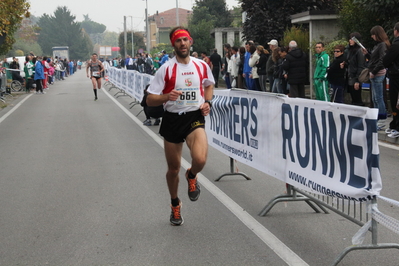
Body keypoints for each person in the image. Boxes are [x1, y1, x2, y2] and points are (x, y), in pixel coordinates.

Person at [146, 26, 214, 226]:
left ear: (190, 41)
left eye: (185, 40)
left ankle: (192, 174)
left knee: (200, 159)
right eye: (178, 41)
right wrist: (167, 96)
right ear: (173, 44)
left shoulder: (201, 65)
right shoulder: (166, 69)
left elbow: (209, 84)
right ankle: (175, 204)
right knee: (173, 169)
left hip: (194, 117)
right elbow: (149, 99)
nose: (182, 44)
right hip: (173, 119)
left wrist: (207, 102)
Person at [363, 25, 390, 129]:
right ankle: (377, 118)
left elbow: (382, 60)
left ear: (377, 34)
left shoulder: (382, 45)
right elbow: (374, 59)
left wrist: (374, 72)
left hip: (378, 74)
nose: (372, 37)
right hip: (374, 73)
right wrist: (367, 54)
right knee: (375, 98)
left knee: (379, 98)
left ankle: (382, 119)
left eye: (373, 34)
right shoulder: (378, 45)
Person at [383, 22, 399, 138]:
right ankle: (394, 125)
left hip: (396, 76)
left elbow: (386, 61)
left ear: (396, 31)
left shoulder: (396, 45)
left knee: (395, 103)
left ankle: (396, 126)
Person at [342, 32, 366, 106]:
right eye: (350, 39)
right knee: (353, 98)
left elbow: (360, 66)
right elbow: (350, 63)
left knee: (357, 98)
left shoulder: (359, 51)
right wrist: (345, 64)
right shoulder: (349, 50)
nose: (350, 41)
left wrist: (357, 80)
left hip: (355, 77)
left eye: (352, 39)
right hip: (350, 76)